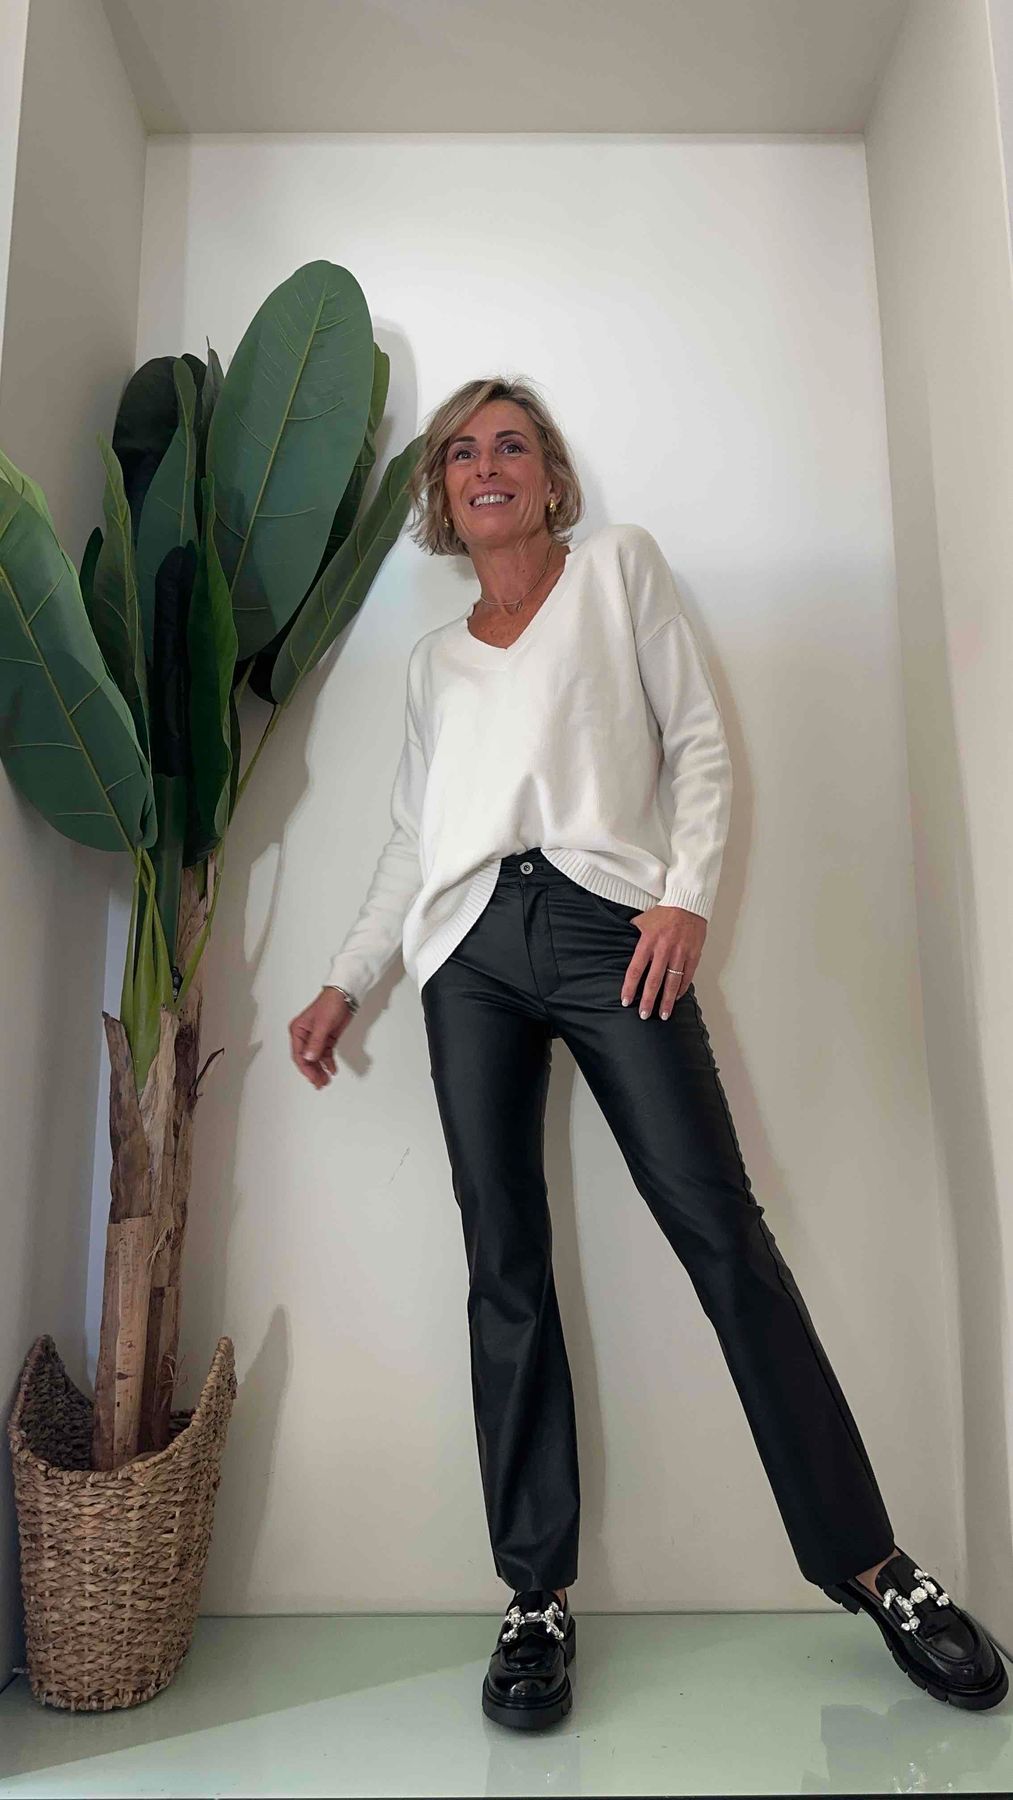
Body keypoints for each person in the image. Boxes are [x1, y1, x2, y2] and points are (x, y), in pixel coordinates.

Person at [289, 375, 1007, 1731]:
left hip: (607, 929)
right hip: (466, 955)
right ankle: (534, 1598)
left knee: (722, 1235)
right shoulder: (434, 662)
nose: (486, 467)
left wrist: (685, 896)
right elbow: (411, 839)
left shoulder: (618, 570)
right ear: (442, 495)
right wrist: (347, 979)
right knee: (502, 1265)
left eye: (511, 446)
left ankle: (874, 1566)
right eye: (461, 453)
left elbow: (698, 745)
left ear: (551, 478)